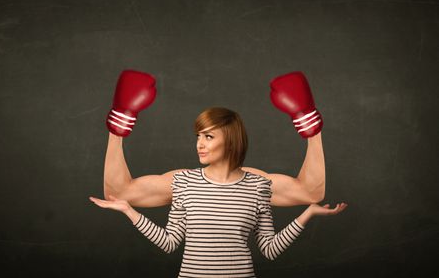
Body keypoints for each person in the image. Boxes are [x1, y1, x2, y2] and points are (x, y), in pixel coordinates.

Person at [89, 70, 348, 277]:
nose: (199, 144)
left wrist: (310, 126)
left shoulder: (257, 184)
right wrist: (118, 124)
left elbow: (310, 193)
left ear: (231, 141)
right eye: (198, 136)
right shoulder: (183, 182)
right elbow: (118, 193)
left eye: (209, 136)